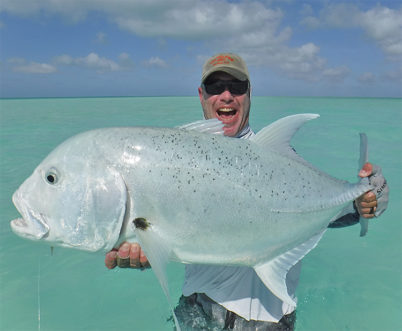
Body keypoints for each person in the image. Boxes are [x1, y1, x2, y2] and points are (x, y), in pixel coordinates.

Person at [105, 53, 389, 330]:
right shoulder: (176, 157)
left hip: (268, 321)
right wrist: (144, 252)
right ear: (201, 95)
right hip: (197, 310)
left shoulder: (279, 157)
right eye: (215, 87)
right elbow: (166, 228)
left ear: (249, 93)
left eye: (236, 87)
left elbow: (317, 209)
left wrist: (363, 203)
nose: (226, 96)